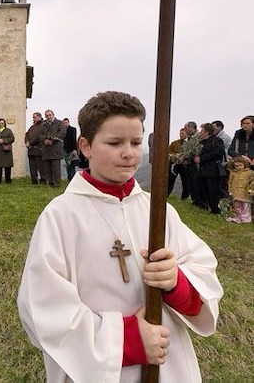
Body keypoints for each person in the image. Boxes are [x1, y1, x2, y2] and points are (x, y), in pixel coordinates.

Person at [17, 91, 222, 382]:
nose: (129, 153)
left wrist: (176, 282)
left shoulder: (157, 211)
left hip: (167, 363)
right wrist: (128, 340)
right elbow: (43, 308)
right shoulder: (61, 215)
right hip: (101, 370)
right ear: (85, 146)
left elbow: (201, 272)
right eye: (115, 143)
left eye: (136, 142)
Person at [194, 123, 224, 215]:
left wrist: (202, 158)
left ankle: (215, 209)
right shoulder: (201, 142)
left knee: (213, 189)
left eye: (202, 131)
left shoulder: (217, 141)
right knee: (204, 188)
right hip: (203, 169)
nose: (200, 132)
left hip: (213, 169)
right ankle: (206, 205)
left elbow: (218, 152)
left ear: (207, 132)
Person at [39, 110, 66, 187]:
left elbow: (62, 133)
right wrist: (45, 140)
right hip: (46, 149)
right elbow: (40, 135)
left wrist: (52, 140)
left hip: (56, 149)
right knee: (47, 168)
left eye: (50, 115)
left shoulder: (60, 123)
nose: (48, 117)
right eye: (47, 115)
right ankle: (50, 183)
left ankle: (57, 183)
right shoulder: (43, 125)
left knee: (56, 168)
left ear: (53, 115)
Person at [226, 156, 254, 223]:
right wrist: (230, 190)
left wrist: (251, 189)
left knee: (246, 206)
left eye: (240, 165)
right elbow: (230, 182)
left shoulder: (250, 172)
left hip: (246, 193)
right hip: (235, 192)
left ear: (244, 164)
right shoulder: (233, 173)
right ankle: (238, 216)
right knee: (237, 205)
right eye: (237, 166)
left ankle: (246, 218)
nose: (239, 167)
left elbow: (252, 181)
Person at [167, 128, 190, 198]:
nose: (181, 135)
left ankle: (185, 197)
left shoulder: (189, 144)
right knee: (170, 180)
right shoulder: (174, 143)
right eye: (180, 133)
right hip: (175, 164)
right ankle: (166, 194)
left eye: (182, 133)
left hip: (184, 165)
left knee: (185, 181)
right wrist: (176, 156)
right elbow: (169, 151)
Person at [211, 120, 231, 198]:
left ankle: (224, 201)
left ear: (219, 127)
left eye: (214, 127)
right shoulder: (214, 137)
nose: (212, 129)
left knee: (223, 184)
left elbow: (225, 152)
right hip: (216, 163)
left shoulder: (225, 138)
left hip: (223, 164)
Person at [25, 112, 46, 184]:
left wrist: (30, 143)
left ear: (39, 117)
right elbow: (26, 135)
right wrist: (27, 142)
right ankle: (34, 180)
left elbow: (38, 136)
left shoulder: (43, 126)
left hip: (39, 150)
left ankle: (43, 180)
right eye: (33, 117)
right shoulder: (32, 127)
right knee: (32, 167)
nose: (33, 119)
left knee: (41, 167)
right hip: (31, 150)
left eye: (34, 117)